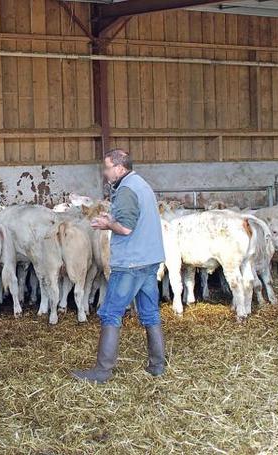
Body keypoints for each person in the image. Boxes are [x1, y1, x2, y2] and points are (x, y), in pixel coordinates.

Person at [71, 148, 166, 383]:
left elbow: (126, 228)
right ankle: (157, 364)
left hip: (130, 262)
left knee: (111, 313)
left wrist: (107, 224)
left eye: (107, 168)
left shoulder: (126, 190)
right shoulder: (141, 184)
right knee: (150, 312)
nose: (105, 173)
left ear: (120, 168)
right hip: (149, 258)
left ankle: (102, 371)